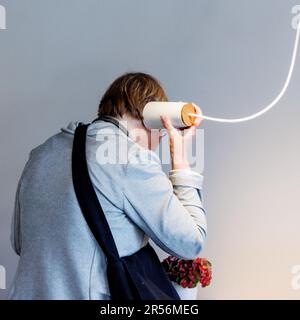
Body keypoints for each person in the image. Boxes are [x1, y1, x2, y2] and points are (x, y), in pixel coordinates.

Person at [8, 72, 207, 300]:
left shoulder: (41, 153)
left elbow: (19, 242)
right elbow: (191, 242)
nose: (160, 138)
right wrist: (181, 162)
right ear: (152, 117)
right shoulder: (130, 158)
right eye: (161, 131)